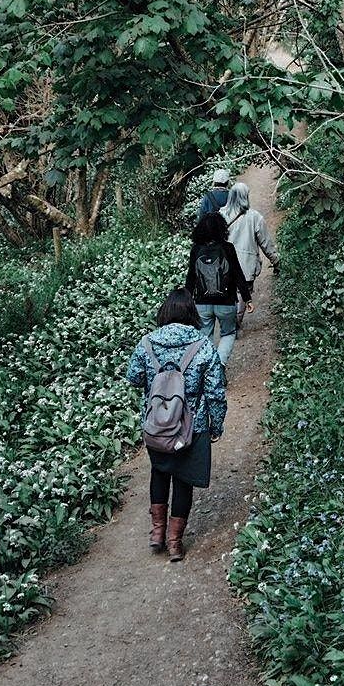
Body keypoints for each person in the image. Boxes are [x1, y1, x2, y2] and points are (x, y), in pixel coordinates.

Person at [126, 287, 226, 562]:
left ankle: (156, 533)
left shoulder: (147, 342)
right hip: (191, 428)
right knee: (183, 480)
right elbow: (216, 391)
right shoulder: (203, 344)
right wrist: (215, 425)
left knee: (160, 471)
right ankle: (174, 543)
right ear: (191, 313)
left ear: (165, 313)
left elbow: (133, 377)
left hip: (157, 424)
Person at [185, 211, 251, 372]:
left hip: (202, 303)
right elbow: (237, 274)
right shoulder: (227, 248)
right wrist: (247, 298)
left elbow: (191, 277)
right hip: (226, 302)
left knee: (205, 336)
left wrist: (187, 300)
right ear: (222, 229)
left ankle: (208, 369)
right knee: (228, 333)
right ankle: (219, 364)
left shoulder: (196, 250)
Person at [221, 182, 279, 328]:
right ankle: (235, 322)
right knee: (242, 294)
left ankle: (227, 321)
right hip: (246, 264)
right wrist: (276, 260)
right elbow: (266, 242)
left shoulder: (220, 215)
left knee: (227, 292)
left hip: (224, 263)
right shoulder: (255, 217)